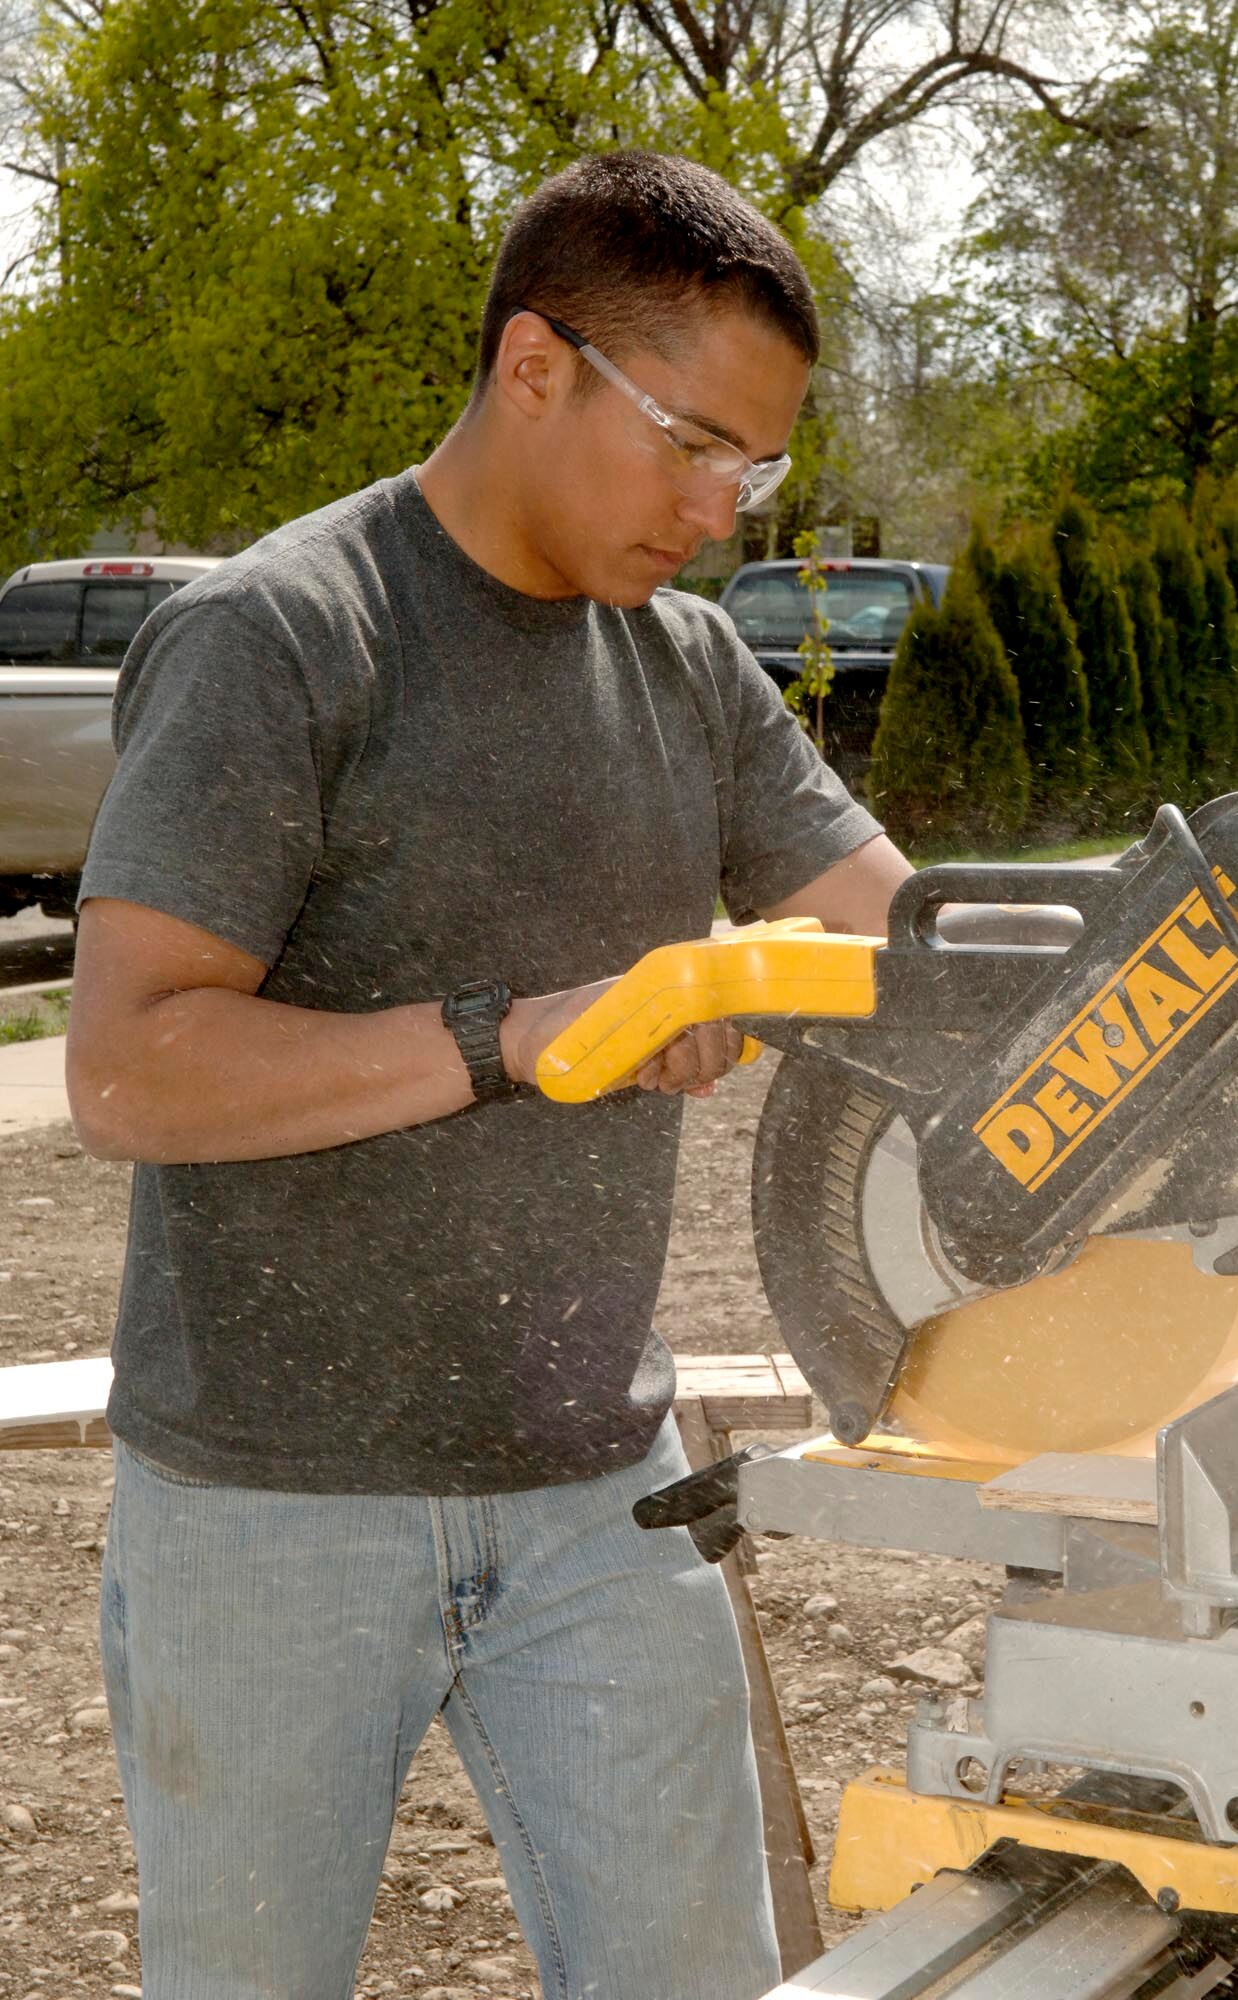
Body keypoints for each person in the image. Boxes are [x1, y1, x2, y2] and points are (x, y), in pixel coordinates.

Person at [66, 148, 914, 2000]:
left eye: (752, 468)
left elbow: (908, 955)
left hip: (598, 1496)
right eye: (690, 443)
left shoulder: (687, 668)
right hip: (269, 1511)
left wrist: (1186, 1063)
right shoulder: (285, 637)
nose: (719, 511)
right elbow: (126, 1070)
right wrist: (515, 1034)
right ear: (535, 364)